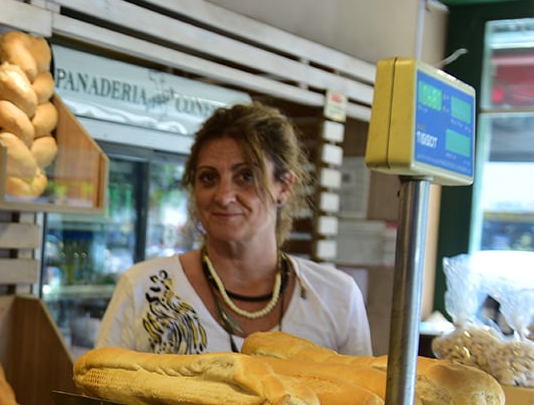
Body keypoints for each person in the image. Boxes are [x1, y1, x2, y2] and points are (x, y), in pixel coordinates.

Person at [94, 102, 373, 355]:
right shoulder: (143, 287)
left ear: (284, 187)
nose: (224, 195)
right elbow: (97, 395)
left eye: (245, 176)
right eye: (208, 177)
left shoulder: (336, 297)